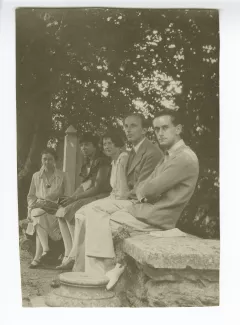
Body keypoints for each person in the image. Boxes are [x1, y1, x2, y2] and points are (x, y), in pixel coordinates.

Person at [73, 109, 199, 290]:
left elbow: (151, 189)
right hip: (145, 211)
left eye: (165, 128)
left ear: (178, 129)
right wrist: (144, 190)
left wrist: (144, 191)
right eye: (157, 129)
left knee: (100, 220)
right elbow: (147, 185)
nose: (160, 133)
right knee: (93, 217)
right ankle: (98, 271)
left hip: (157, 218)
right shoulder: (169, 155)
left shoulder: (184, 158)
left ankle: (102, 273)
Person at [57, 113, 163, 275]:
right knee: (82, 214)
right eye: (126, 126)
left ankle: (102, 266)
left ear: (145, 130)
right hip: (126, 198)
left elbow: (142, 188)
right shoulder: (134, 151)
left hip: (139, 203)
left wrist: (120, 195)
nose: (128, 130)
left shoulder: (150, 152)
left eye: (133, 126)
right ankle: (80, 264)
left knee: (93, 211)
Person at [56, 129, 129, 271]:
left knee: (73, 211)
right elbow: (85, 185)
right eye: (82, 145)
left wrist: (74, 198)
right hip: (96, 194)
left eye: (87, 144)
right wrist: (72, 198)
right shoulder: (89, 162)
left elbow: (98, 187)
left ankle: (74, 256)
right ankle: (68, 253)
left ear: (96, 146)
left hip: (102, 194)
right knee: (62, 211)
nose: (83, 148)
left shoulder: (103, 161)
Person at [26, 148, 70, 268]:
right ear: (41, 160)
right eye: (44, 159)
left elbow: (67, 196)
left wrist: (58, 204)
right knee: (37, 213)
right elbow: (31, 196)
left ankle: (39, 256)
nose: (47, 162)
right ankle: (44, 250)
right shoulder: (36, 176)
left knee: (38, 216)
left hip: (55, 211)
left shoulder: (63, 176)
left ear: (55, 160)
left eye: (50, 159)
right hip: (39, 209)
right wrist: (32, 205)